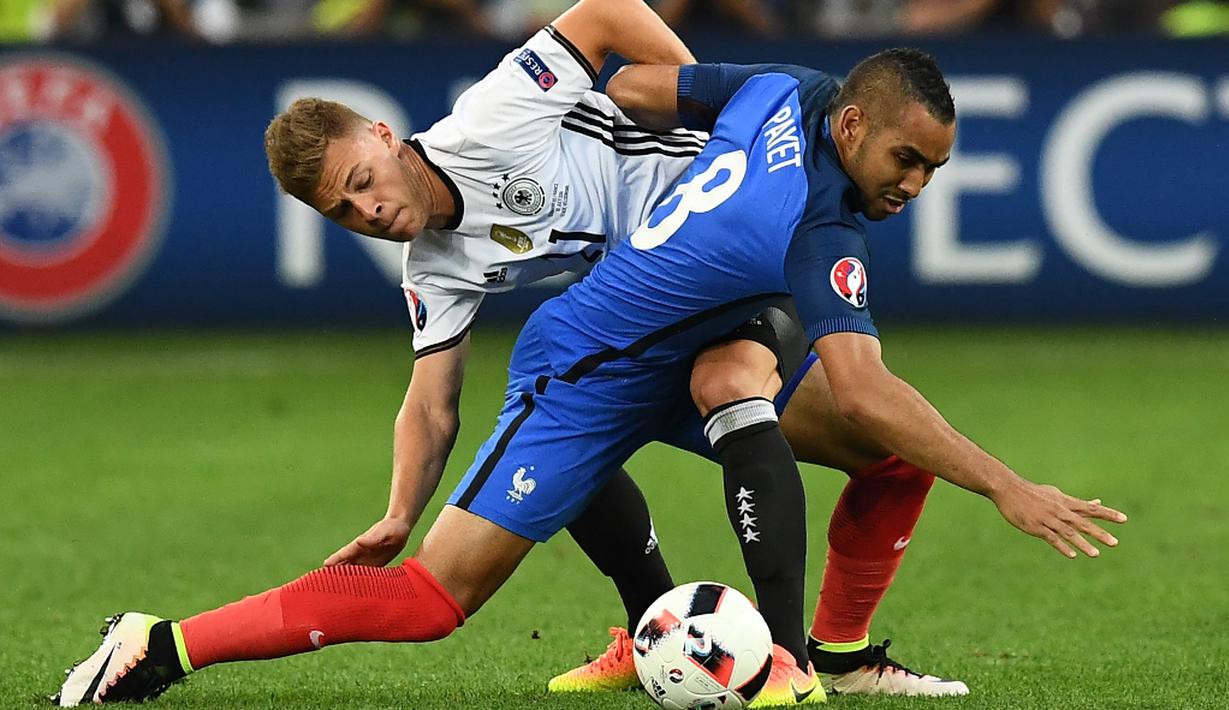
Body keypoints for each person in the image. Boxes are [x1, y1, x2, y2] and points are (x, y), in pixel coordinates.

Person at [54, 3, 1127, 708]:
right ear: (851, 126)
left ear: (383, 137)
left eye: (362, 181)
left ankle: (817, 659)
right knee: (434, 599)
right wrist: (1006, 485)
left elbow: (635, 81)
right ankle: (162, 640)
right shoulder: (810, 207)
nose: (913, 186)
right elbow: (433, 398)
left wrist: (694, 168)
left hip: (678, 308)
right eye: (906, 161)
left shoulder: (763, 99)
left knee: (779, 401)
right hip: (586, 354)